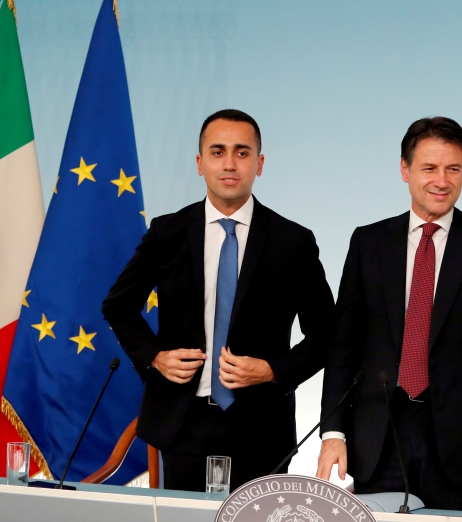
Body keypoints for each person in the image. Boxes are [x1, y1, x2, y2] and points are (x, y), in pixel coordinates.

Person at [102, 109, 335, 491]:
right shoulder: (168, 233)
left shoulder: (293, 242)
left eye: (242, 153)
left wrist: (273, 370)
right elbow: (118, 306)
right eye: (217, 152)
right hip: (182, 423)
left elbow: (327, 335)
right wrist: (155, 357)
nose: (229, 164)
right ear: (200, 163)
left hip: (262, 427)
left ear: (259, 164)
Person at [316, 117, 462, 511]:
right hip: (377, 436)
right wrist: (333, 431)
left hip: (458, 444)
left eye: (454, 169)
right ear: (405, 170)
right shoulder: (369, 243)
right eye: (429, 168)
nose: (442, 180)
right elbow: (343, 344)